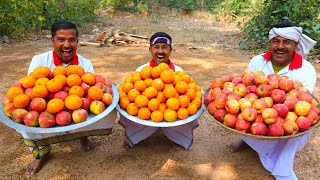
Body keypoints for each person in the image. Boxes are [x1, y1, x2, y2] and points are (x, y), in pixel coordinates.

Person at [19, 21, 117, 174]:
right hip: (47, 107)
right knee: (27, 120)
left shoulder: (85, 64)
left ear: (77, 41)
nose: (67, 45)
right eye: (61, 39)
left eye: (71, 40)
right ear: (52, 40)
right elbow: (32, 91)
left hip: (77, 105)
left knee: (104, 111)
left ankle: (83, 136)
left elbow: (91, 93)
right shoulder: (39, 61)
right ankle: (41, 154)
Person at [229, 21, 317, 180]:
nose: (280, 46)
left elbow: (301, 105)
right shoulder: (257, 61)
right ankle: (249, 141)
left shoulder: (306, 70)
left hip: (288, 118)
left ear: (296, 45)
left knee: (292, 135)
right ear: (270, 42)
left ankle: (284, 173)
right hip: (257, 112)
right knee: (241, 117)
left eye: (287, 42)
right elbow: (246, 91)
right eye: (276, 41)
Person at [119, 32, 200, 150]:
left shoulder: (178, 72)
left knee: (187, 109)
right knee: (131, 106)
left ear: (171, 50)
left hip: (174, 109)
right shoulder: (142, 70)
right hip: (145, 108)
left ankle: (179, 137)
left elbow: (186, 94)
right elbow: (133, 91)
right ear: (150, 50)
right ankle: (135, 136)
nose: (160, 51)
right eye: (156, 47)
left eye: (165, 47)